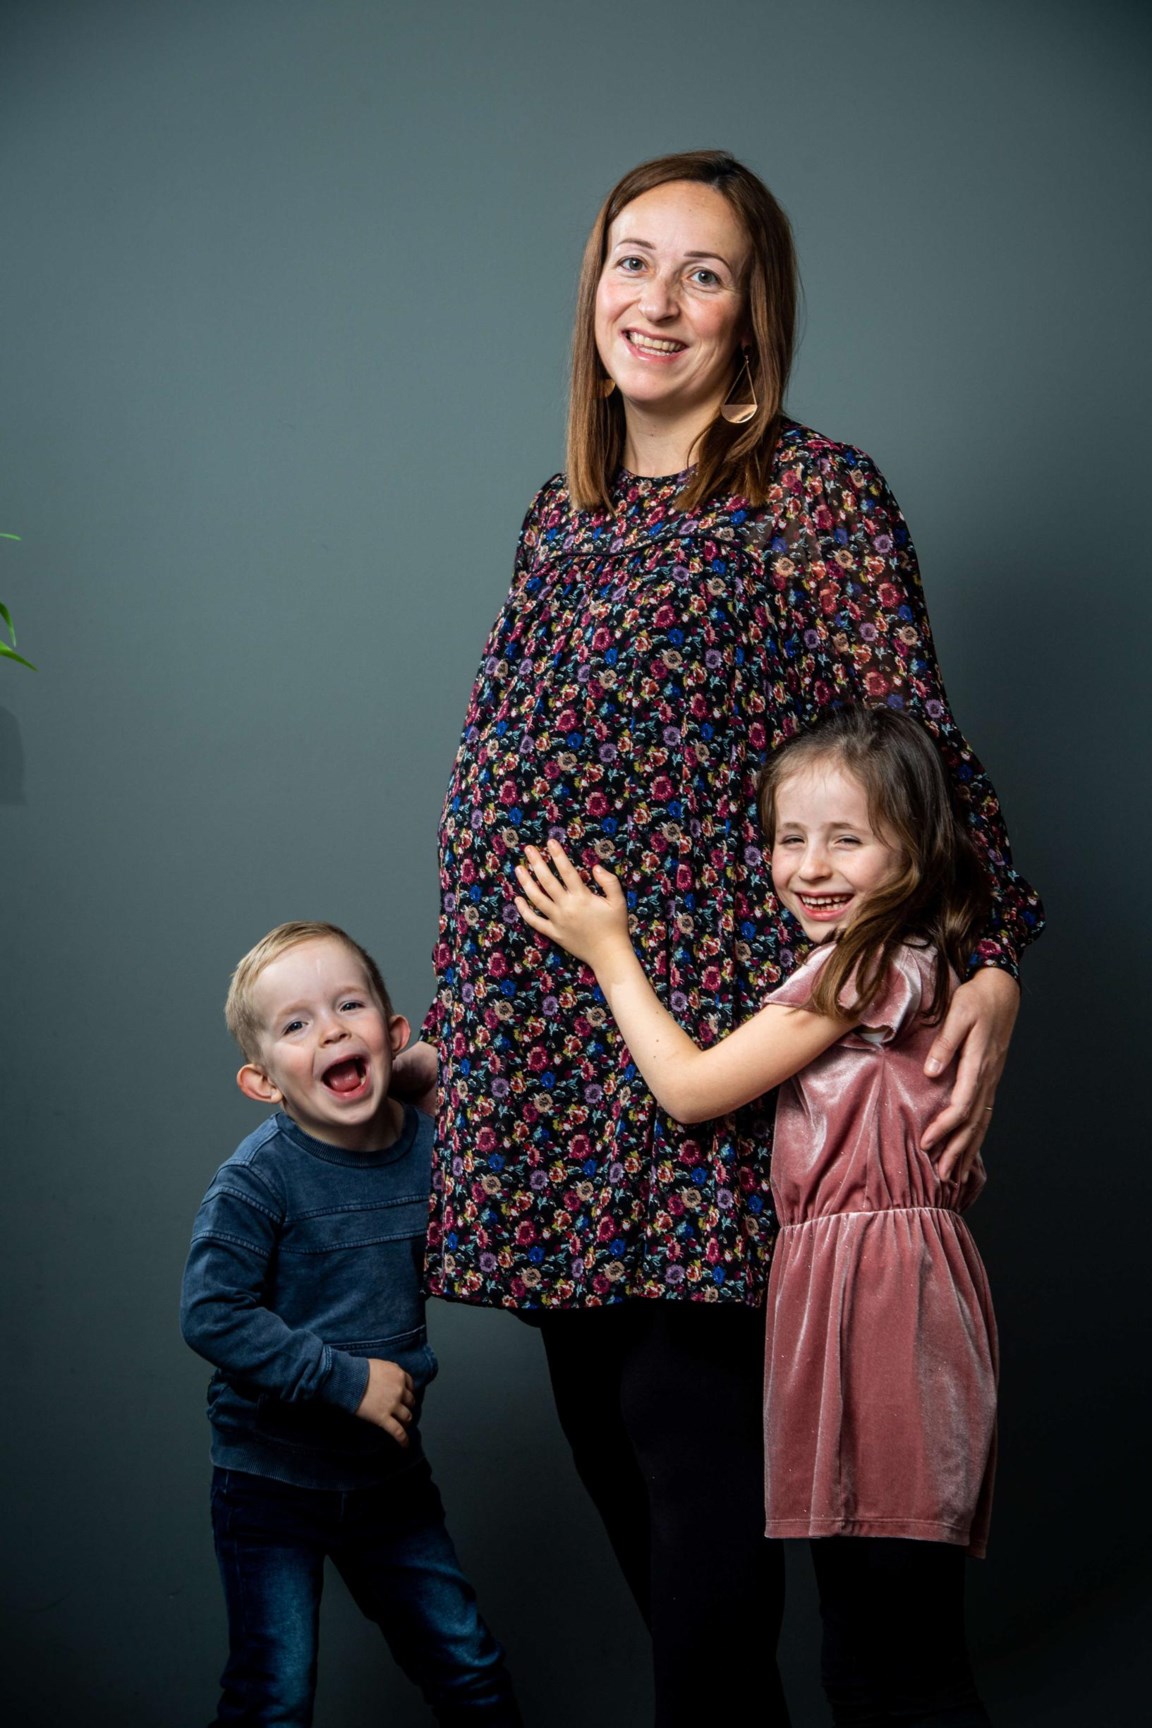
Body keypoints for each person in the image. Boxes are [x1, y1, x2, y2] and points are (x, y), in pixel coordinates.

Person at [397, 149, 1042, 1724]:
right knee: (641, 1515)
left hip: (698, 1083)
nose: (659, 301)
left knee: (712, 1553)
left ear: (756, 319)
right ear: (593, 289)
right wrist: (453, 1041)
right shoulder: (561, 515)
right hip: (542, 1091)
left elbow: (924, 759)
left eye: (706, 273)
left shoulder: (815, 494)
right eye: (634, 261)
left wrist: (1001, 964)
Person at [513, 704, 999, 1726]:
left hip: (881, 1304)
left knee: (888, 1650)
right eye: (789, 838)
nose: (810, 867)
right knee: (879, 1638)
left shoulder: (860, 965)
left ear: (913, 853)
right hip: (863, 1295)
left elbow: (692, 1090)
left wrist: (609, 952)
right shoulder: (897, 961)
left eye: (848, 838)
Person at [180, 922, 521, 1728]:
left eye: (348, 1005)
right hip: (270, 1481)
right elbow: (211, 1313)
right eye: (296, 1025)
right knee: (275, 1695)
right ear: (263, 1083)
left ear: (392, 1035)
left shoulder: (436, 1154)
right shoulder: (257, 1181)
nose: (330, 1028)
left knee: (470, 1672)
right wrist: (348, 1379)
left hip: (387, 1480)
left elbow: (497, 1231)